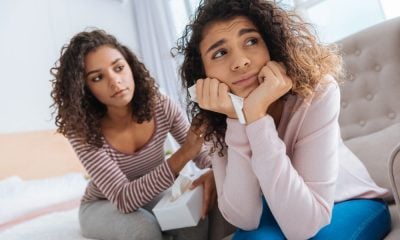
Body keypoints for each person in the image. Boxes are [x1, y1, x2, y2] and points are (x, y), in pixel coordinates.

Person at [175, 0, 391, 239]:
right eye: (220, 53)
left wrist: (256, 117)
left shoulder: (316, 91)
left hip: (348, 201)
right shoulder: (218, 117)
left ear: (271, 43)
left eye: (251, 41)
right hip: (279, 209)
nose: (240, 62)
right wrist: (237, 119)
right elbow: (244, 217)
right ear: (204, 74)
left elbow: (305, 225)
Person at [50, 29, 226, 240]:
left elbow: (203, 156)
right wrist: (183, 155)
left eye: (119, 68)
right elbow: (124, 199)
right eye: (97, 77)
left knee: (195, 222)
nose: (115, 82)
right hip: (104, 204)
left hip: (154, 194)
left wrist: (215, 171)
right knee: (143, 229)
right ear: (85, 89)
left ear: (130, 67)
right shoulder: (82, 131)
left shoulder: (160, 105)